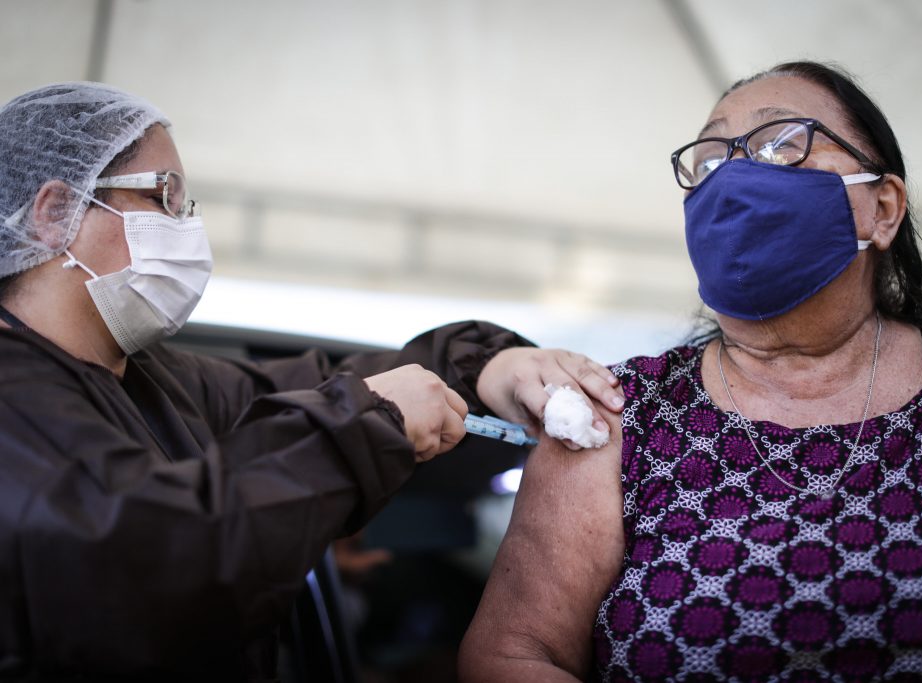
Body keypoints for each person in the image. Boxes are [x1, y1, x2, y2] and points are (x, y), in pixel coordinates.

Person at [0, 82, 625, 680]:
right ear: (56, 213)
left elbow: (316, 388)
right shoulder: (14, 397)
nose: (187, 227)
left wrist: (485, 367)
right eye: (165, 196)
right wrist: (369, 422)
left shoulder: (153, 383)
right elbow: (151, 567)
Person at [460, 61, 922, 682]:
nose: (730, 177)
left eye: (782, 144)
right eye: (708, 160)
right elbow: (510, 656)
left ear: (882, 209)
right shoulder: (615, 412)